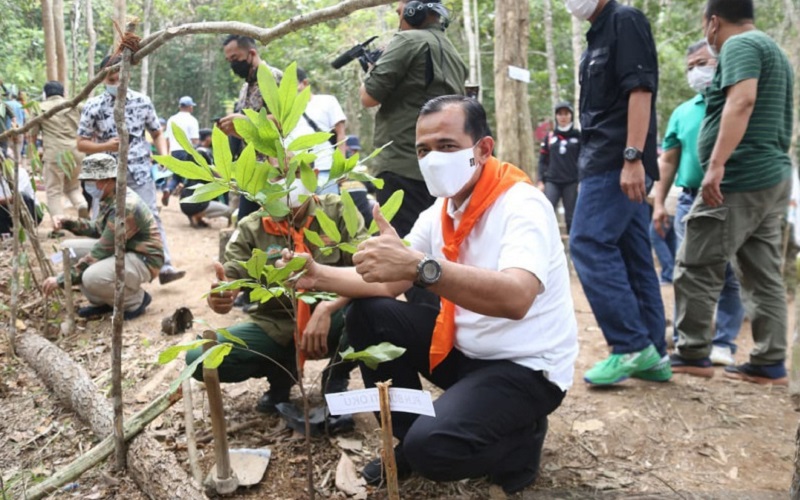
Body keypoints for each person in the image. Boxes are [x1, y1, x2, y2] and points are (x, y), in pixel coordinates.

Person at [283, 96, 578, 494]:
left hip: (525, 370)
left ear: (483, 149)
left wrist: (421, 268)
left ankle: (518, 445)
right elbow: (387, 282)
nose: (433, 159)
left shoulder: (521, 205)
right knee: (370, 314)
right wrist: (316, 275)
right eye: (423, 150)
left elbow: (516, 297)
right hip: (464, 353)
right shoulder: (440, 210)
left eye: (447, 146)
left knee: (434, 451)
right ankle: (411, 435)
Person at [670, 0, 794, 385]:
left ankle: (692, 351)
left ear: (713, 22)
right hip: (771, 177)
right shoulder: (773, 49)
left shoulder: (739, 46)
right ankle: (769, 360)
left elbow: (742, 100)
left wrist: (717, 164)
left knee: (695, 264)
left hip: (739, 176)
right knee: (761, 272)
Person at [184, 171, 366, 414]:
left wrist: (327, 308)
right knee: (200, 356)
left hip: (335, 320)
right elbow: (232, 275)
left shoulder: (338, 211)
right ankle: (281, 373)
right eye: (275, 174)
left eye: (294, 172)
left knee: (374, 309)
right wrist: (223, 295)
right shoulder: (252, 226)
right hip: (276, 325)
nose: (285, 182)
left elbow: (369, 272)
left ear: (312, 174)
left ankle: (336, 376)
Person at [566, 0, 668, 386]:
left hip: (615, 161)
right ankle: (653, 353)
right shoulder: (597, 33)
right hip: (605, 159)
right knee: (633, 253)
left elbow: (640, 90)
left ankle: (628, 345)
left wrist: (632, 157)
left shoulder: (625, 21)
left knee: (588, 242)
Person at [651, 40, 744, 366]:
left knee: (730, 273)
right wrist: (659, 203)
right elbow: (668, 162)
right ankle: (685, 342)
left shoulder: (737, 104)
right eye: (690, 67)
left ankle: (723, 343)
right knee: (685, 272)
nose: (696, 72)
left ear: (720, 63)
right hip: (689, 199)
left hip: (730, 197)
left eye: (702, 63)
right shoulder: (682, 112)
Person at [361, 0, 467, 237]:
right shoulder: (452, 52)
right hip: (443, 168)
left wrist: (372, 69)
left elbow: (368, 97)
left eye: (400, 12)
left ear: (413, 11)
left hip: (402, 164)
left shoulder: (407, 41)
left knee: (399, 250)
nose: (399, 20)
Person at [76, 55, 185, 285]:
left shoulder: (142, 101)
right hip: (105, 178)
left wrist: (163, 155)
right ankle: (97, 271)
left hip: (139, 172)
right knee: (101, 221)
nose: (116, 83)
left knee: (151, 217)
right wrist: (105, 146)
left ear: (128, 74)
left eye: (120, 78)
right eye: (111, 79)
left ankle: (164, 265)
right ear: (102, 78)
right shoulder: (93, 105)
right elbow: (81, 142)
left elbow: (156, 132)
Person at [41, 154, 163, 320]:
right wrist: (67, 222)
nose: (89, 185)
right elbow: (98, 228)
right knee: (67, 250)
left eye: (93, 181)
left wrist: (61, 280)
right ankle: (104, 301)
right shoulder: (110, 196)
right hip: (124, 249)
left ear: (108, 179)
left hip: (144, 258)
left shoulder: (125, 206)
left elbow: (100, 251)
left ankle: (134, 301)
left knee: (91, 276)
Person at [218, 34, 283, 223]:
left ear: (252, 53)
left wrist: (245, 121)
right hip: (249, 171)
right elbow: (247, 130)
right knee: (247, 229)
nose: (232, 64)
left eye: (235, 59)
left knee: (269, 229)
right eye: (229, 60)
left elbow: (282, 122)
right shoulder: (245, 87)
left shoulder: (272, 77)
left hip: (271, 172)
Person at [28, 81, 89, 219]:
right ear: (63, 93)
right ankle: (81, 204)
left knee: (54, 190)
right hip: (77, 153)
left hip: (54, 154)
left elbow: (31, 135)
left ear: (45, 94)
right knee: (73, 187)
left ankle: (58, 223)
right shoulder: (77, 106)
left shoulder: (39, 108)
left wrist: (33, 158)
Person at [296, 67, 347, 195]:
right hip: (299, 173)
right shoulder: (287, 111)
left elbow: (340, 134)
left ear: (305, 83)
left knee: (329, 210)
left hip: (326, 168)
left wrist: (341, 168)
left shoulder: (327, 101)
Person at [537, 101, 580, 233]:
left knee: (571, 217)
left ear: (571, 115)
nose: (563, 117)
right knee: (546, 212)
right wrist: (540, 180)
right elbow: (542, 161)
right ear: (556, 116)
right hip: (552, 181)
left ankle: (573, 250)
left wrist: (582, 180)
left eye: (566, 113)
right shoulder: (550, 137)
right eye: (560, 114)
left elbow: (584, 159)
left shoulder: (578, 136)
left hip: (572, 182)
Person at [162, 95, 200, 206]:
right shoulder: (192, 120)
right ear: (189, 107)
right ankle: (187, 202)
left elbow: (167, 139)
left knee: (175, 176)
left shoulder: (171, 119)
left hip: (174, 151)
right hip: (187, 152)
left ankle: (168, 189)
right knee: (189, 177)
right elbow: (195, 140)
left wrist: (168, 153)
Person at [0, 165, 42, 235]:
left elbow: (17, 197)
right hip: (7, 212)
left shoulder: (19, 172)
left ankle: (26, 228)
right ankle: (5, 233)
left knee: (22, 198)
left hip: (32, 211)